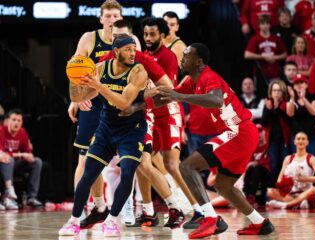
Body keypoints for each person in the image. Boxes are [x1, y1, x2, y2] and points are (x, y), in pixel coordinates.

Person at [158, 43, 275, 238]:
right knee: (223, 185)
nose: (182, 59)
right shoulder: (191, 80)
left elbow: (216, 100)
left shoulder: (209, 77)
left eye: (186, 55)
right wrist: (135, 107)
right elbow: (167, 97)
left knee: (187, 167)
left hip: (238, 131)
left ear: (199, 62)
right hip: (241, 133)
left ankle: (211, 218)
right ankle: (260, 223)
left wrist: (179, 96)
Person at [98, 19, 186, 228]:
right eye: (116, 37)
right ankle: (147, 211)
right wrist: (77, 99)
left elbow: (167, 88)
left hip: (142, 117)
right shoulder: (107, 59)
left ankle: (176, 207)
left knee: (143, 164)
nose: (119, 40)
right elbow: (93, 83)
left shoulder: (143, 61)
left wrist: (138, 100)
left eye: (124, 37)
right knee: (134, 167)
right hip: (119, 121)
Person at [59, 34, 148, 237]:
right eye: (128, 49)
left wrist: (98, 86)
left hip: (131, 129)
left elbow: (125, 103)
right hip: (107, 126)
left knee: (127, 171)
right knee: (89, 173)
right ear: (116, 52)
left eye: (134, 49)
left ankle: (112, 220)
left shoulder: (139, 72)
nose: (133, 53)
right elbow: (79, 96)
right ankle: (74, 220)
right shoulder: (100, 68)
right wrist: (75, 79)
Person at [139, 17, 201, 227]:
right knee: (141, 162)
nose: (148, 38)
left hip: (169, 113)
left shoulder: (168, 57)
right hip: (152, 115)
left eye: (152, 34)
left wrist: (136, 104)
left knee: (172, 166)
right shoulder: (145, 55)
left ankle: (199, 210)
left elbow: (167, 93)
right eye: (145, 34)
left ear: (163, 35)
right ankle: (148, 212)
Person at [66, 0, 123, 228]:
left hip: (120, 104)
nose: (111, 20)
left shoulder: (128, 40)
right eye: (107, 16)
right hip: (94, 103)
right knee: (85, 158)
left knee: (139, 160)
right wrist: (76, 98)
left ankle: (145, 208)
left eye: (115, 16)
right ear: (101, 19)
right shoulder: (90, 38)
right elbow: (75, 67)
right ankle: (84, 210)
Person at [268, 132, 315, 209]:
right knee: (270, 191)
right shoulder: (288, 158)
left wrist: (304, 179)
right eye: (298, 139)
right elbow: (279, 180)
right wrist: (287, 181)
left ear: (307, 142)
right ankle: (298, 203)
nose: (300, 141)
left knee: (314, 190)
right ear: (294, 141)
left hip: (306, 193)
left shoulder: (311, 158)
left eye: (303, 139)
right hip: (291, 194)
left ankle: (287, 205)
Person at [0, 109, 43, 209]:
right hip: (4, 164)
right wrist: (21, 155)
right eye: (14, 120)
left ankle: (31, 197)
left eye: (19, 121)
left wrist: (29, 156)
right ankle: (9, 191)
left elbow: (27, 151)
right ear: (7, 121)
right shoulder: (1, 130)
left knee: (37, 162)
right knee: (8, 159)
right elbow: (2, 153)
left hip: (16, 165)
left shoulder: (22, 132)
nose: (16, 123)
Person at [244, 15, 287, 81]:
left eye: (267, 23)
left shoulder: (276, 38)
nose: (265, 26)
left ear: (270, 25)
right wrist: (264, 57)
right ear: (259, 25)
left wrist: (274, 57)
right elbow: (247, 54)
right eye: (263, 23)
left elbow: (284, 54)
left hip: (275, 73)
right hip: (260, 73)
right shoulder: (255, 39)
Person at [287, 74, 315, 157]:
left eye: (301, 82)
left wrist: (303, 99)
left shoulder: (313, 97)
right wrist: (292, 98)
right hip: (297, 137)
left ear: (306, 84)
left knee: (313, 161)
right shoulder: (291, 99)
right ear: (294, 86)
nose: (299, 85)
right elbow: (290, 113)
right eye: (296, 83)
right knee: (298, 163)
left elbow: (313, 111)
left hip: (312, 136)